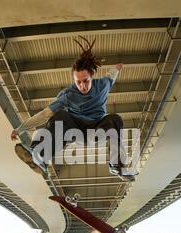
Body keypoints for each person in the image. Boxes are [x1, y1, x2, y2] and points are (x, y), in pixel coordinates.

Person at [10, 36, 134, 181]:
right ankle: (39, 155)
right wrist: (20, 129)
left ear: (92, 76)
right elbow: (45, 114)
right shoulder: (68, 95)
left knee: (115, 119)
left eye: (86, 81)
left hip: (96, 129)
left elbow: (111, 75)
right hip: (75, 130)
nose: (82, 86)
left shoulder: (103, 85)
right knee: (60, 115)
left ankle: (117, 166)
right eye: (78, 82)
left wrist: (117, 68)